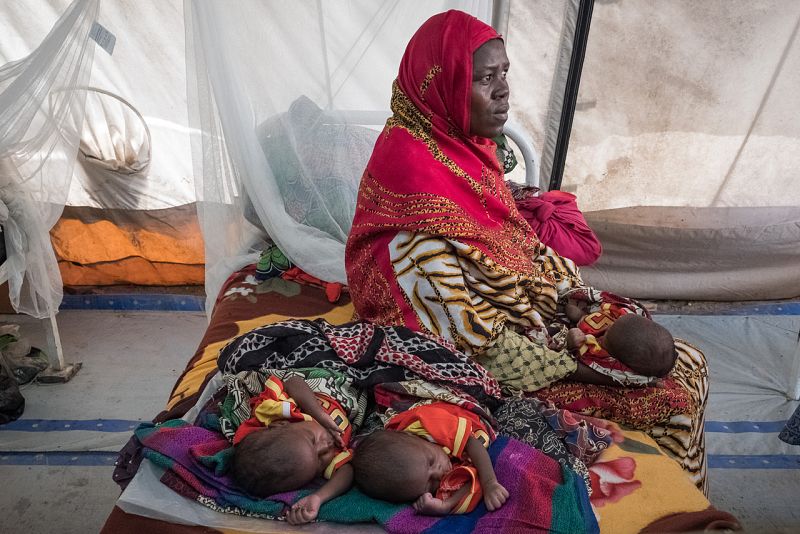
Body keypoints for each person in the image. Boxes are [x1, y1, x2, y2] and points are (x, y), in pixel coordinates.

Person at [344, 10, 598, 391]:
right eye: (484, 78)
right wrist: (582, 369)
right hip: (422, 311)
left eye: (504, 73)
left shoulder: (468, 148)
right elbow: (464, 334)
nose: (503, 90)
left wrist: (563, 295)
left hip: (467, 300)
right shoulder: (412, 172)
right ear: (442, 85)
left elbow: (509, 236)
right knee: (420, 249)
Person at [229, 369, 362, 525]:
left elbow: (293, 382)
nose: (326, 447)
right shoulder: (328, 457)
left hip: (330, 374)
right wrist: (319, 497)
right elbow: (348, 471)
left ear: (281, 424)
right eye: (319, 461)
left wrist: (319, 415)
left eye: (312, 440)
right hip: (357, 395)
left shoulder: (280, 411)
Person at [352, 402, 508, 515]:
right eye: (430, 484)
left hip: (460, 410)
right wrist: (446, 505)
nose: (439, 474)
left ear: (412, 436)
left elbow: (472, 443)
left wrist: (490, 483)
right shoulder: (420, 483)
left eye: (431, 462)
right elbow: (473, 482)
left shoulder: (430, 424)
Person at [564, 301, 678, 386]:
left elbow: (570, 366)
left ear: (615, 359)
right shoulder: (630, 326)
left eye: (604, 338)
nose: (605, 330)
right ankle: (584, 317)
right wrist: (583, 316)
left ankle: (582, 319)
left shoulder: (614, 371)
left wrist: (569, 343)